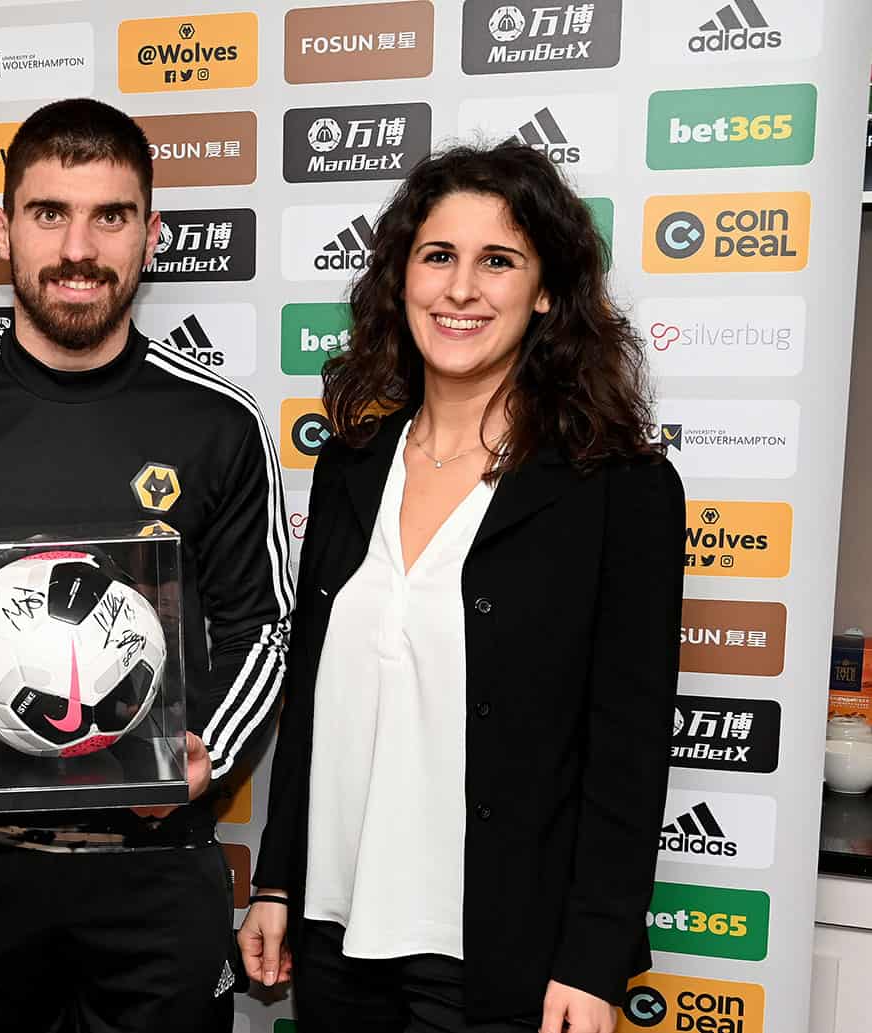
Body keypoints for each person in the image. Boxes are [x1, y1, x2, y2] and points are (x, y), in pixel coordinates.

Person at [0, 97, 292, 1033]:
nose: (78, 247)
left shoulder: (220, 422)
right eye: (49, 213)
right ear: (3, 228)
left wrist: (205, 752)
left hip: (155, 878)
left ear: (150, 234)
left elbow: (264, 623)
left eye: (110, 216)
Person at [237, 141, 684, 1033]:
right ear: (402, 277)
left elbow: (627, 750)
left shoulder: (618, 487)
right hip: (337, 933)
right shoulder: (354, 465)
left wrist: (593, 962)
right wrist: (278, 877)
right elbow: (315, 692)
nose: (462, 289)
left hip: (499, 957)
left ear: (547, 290)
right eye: (438, 256)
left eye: (499, 261)